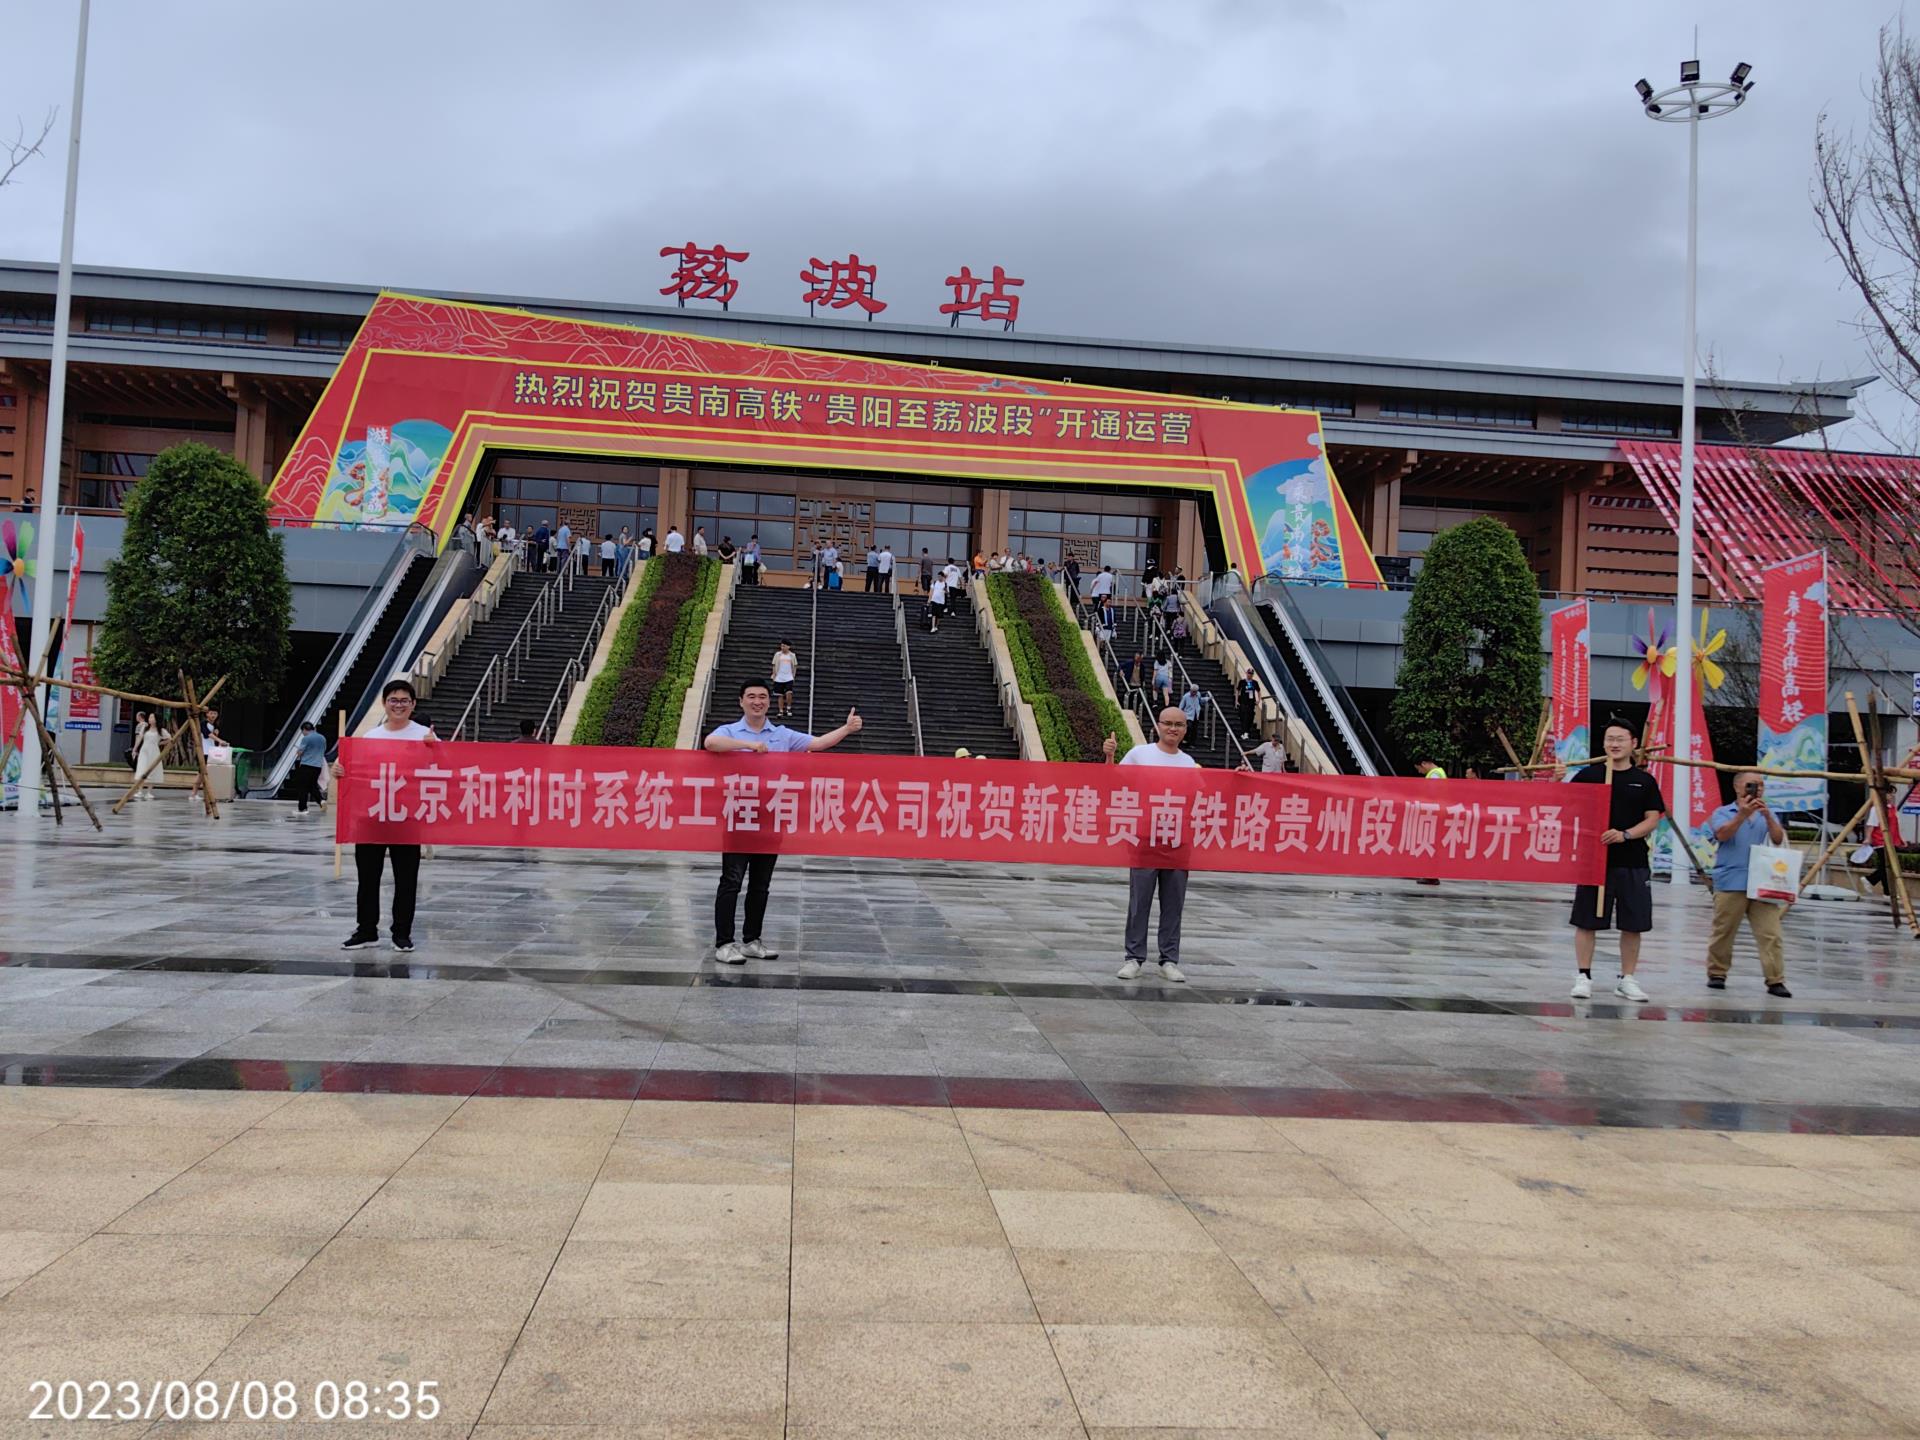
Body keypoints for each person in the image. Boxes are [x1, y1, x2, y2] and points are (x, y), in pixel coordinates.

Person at [705, 682, 863, 963]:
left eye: (763, 697)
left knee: (761, 883)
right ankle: (724, 943)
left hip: (771, 815)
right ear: (741, 701)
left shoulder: (782, 734)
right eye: (751, 697)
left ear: (769, 702)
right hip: (740, 813)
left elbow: (817, 743)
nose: (757, 701)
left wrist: (847, 729)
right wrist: (749, 745)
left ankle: (752, 940)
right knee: (731, 880)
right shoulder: (729, 731)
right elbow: (710, 743)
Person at [1566, 721, 1667, 1002]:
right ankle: (1583, 975)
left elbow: (1653, 819)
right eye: (1609, 738)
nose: (1614, 744)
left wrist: (1625, 835)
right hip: (1594, 860)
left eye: (1620, 739)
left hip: (1633, 861)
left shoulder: (1644, 781)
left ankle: (1627, 978)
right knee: (1586, 920)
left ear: (1633, 743)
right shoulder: (1589, 775)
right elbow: (1565, 805)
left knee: (1633, 923)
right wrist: (1556, 780)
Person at [1104, 709, 1207, 983]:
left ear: (1185, 729)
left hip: (1177, 841)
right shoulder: (1140, 754)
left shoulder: (1188, 763)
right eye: (1168, 724)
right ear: (1158, 726)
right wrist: (1110, 756)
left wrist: (1238, 778)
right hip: (1144, 838)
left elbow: (1207, 795)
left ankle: (1169, 959)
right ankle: (1133, 958)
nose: (1173, 729)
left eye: (1179, 725)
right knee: (1140, 901)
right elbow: (1113, 781)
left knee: (1174, 903)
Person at [336, 680, 432, 952]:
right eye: (393, 700)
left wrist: (434, 751)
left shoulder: (426, 736)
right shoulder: (372, 737)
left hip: (407, 817)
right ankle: (366, 930)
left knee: (406, 878)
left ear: (413, 704)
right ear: (384, 703)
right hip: (372, 816)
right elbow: (359, 774)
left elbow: (441, 771)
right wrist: (341, 773)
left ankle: (401, 933)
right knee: (367, 877)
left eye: (404, 700)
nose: (398, 705)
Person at [1706, 772, 1792, 997]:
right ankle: (1717, 973)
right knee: (1724, 930)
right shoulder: (1723, 812)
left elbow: (1777, 839)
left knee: (1770, 932)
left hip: (1763, 881)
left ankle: (1775, 979)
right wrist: (1742, 815)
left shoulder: (1768, 812)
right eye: (1752, 785)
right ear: (1737, 788)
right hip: (1731, 880)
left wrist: (1768, 817)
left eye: (1761, 786)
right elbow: (1722, 835)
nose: (1757, 789)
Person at [287, 720, 327, 815]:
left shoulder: (306, 738)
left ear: (305, 729)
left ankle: (302, 808)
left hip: (306, 766)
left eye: (302, 732)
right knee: (312, 785)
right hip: (318, 766)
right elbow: (323, 750)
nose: (303, 734)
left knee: (303, 787)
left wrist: (299, 753)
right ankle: (321, 801)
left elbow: (300, 752)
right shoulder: (322, 738)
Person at [132, 710, 165, 800]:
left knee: (151, 770)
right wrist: (135, 749)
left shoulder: (161, 730)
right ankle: (140, 791)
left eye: (152, 717)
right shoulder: (145, 728)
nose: (150, 719)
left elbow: (169, 739)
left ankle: (149, 792)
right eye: (149, 717)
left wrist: (158, 743)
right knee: (141, 769)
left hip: (154, 752)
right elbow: (139, 738)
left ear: (156, 719)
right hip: (144, 751)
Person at [770, 640, 799, 718]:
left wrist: (793, 675)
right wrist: (774, 674)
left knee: (789, 692)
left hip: (789, 677)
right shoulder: (777, 654)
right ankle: (781, 710)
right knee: (780, 695)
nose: (782, 647)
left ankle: (788, 708)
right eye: (781, 646)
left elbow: (795, 666)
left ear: (788, 647)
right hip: (779, 677)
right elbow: (774, 664)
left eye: (784, 646)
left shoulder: (792, 655)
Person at [1236, 667, 1261, 740]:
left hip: (1251, 703)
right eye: (1249, 673)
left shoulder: (1255, 683)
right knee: (1243, 716)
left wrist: (1258, 700)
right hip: (1243, 702)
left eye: (1251, 674)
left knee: (1250, 717)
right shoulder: (1242, 682)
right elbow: (1238, 690)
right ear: (1246, 673)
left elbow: (1258, 691)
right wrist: (1236, 700)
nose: (1250, 675)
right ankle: (1244, 732)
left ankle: (1246, 732)